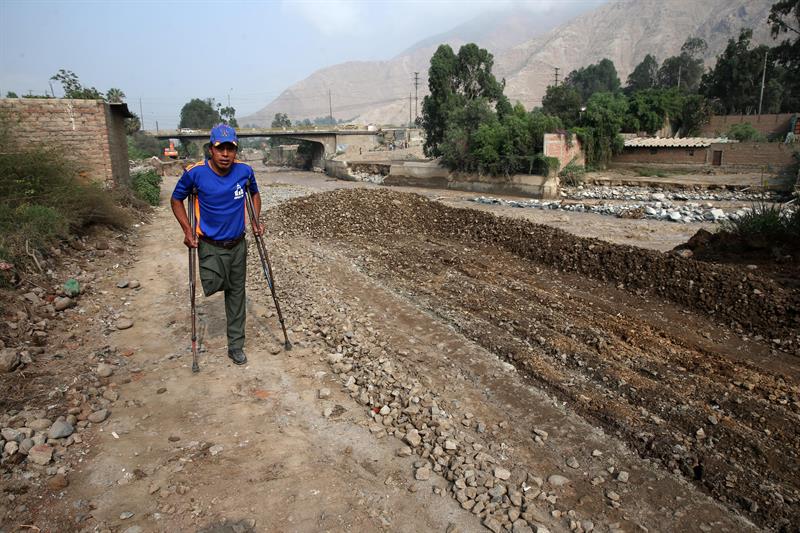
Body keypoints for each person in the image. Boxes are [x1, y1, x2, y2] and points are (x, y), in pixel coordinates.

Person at [170, 124, 262, 365]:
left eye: (230, 148)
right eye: (220, 148)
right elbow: (176, 199)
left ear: (235, 150)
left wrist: (255, 220)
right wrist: (187, 230)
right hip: (209, 245)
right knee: (212, 284)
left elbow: (254, 193)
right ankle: (222, 287)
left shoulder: (245, 171)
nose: (225, 154)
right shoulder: (195, 173)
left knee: (236, 293)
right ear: (211, 149)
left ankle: (235, 345)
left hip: (238, 244)